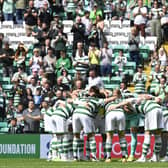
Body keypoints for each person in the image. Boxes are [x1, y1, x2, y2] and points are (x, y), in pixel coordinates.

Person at [104, 89, 128, 163]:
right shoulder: (121, 100)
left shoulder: (108, 100)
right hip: (120, 114)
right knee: (122, 136)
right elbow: (127, 107)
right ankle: (124, 157)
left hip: (110, 114)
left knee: (109, 136)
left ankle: (108, 158)